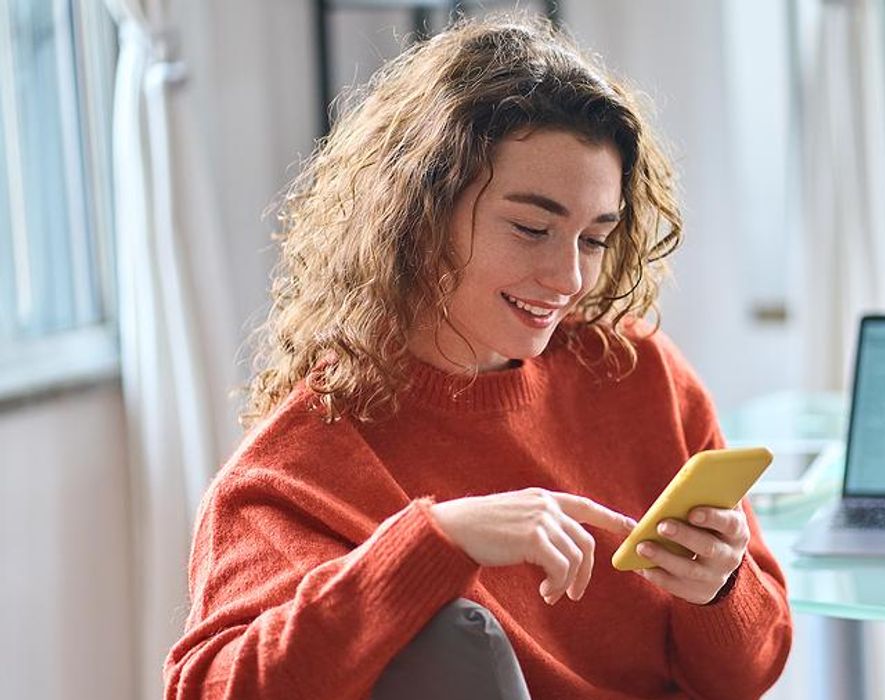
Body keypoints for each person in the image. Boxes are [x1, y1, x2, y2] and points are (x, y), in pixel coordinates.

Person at [164, 13, 792, 700]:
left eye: (593, 239)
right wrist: (435, 540)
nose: (569, 279)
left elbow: (750, 674)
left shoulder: (638, 373)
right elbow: (212, 688)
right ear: (420, 214)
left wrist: (718, 591)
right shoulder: (303, 468)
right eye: (531, 228)